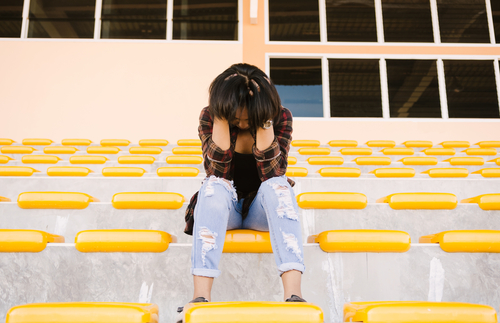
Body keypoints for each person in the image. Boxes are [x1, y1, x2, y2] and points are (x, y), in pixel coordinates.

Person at [176, 63, 305, 322]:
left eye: (249, 117)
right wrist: (222, 116)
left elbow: (274, 172)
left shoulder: (280, 117)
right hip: (226, 210)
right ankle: (200, 298)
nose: (243, 123)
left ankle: (294, 297)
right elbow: (216, 170)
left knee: (279, 186)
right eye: (237, 118)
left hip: (261, 211)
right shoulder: (209, 116)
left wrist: (264, 117)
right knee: (213, 186)